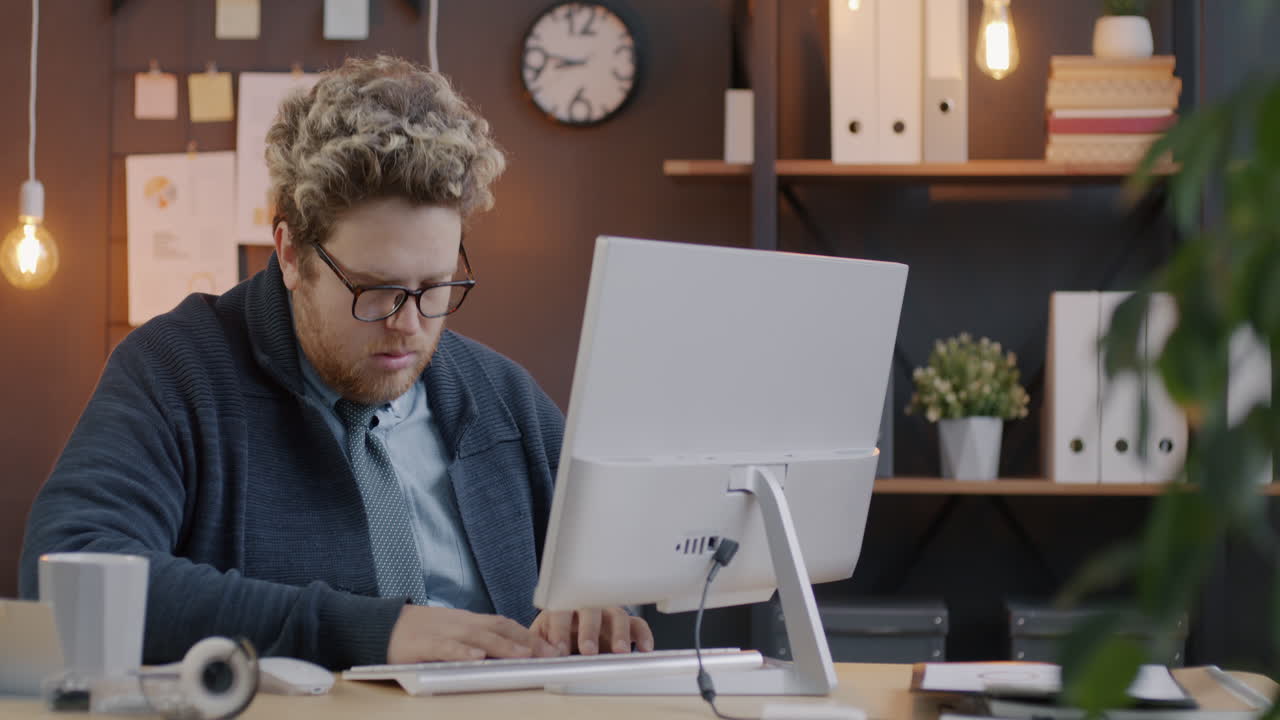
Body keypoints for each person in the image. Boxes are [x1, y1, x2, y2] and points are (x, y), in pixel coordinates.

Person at [19, 55, 652, 670]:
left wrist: (601, 609)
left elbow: (613, 569)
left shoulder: (503, 397)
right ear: (291, 254)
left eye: (434, 286)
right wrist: (369, 631)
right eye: (374, 290)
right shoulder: (177, 370)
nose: (408, 324)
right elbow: (70, 572)